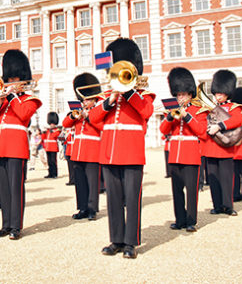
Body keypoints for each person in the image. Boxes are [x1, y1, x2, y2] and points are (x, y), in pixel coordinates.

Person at [89, 38, 154, 259]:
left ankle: (131, 242)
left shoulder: (142, 95)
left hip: (132, 152)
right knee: (113, 199)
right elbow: (93, 117)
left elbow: (146, 111)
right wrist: (110, 99)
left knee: (132, 198)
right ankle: (116, 239)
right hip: (109, 152)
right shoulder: (106, 96)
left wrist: (127, 92)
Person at [0, 50, 41, 240]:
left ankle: (16, 225)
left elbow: (24, 115)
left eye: (15, 79)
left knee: (16, 187)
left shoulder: (29, 99)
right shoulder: (1, 100)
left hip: (16, 147)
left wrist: (12, 97)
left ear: (23, 80)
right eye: (9, 79)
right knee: (4, 188)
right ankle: (6, 224)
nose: (11, 82)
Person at [160, 67, 208, 233]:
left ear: (189, 93)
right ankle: (179, 219)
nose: (180, 97)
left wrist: (187, 115)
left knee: (191, 191)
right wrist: (169, 117)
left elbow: (202, 131)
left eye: (183, 94)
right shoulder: (173, 111)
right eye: (178, 94)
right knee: (177, 190)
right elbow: (163, 130)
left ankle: (191, 220)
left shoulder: (199, 111)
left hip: (191, 154)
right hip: (175, 155)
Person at [63, 73, 103, 221]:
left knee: (93, 183)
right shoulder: (78, 112)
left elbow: (102, 127)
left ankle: (93, 209)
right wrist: (74, 117)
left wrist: (89, 117)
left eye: (88, 99)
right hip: (77, 152)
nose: (86, 102)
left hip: (92, 151)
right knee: (80, 182)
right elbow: (66, 123)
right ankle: (82, 208)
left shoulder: (98, 112)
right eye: (84, 99)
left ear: (94, 100)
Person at [204, 69, 242, 216]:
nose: (218, 96)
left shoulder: (233, 107)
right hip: (211, 147)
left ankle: (228, 205)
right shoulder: (210, 108)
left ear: (227, 92)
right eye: (216, 93)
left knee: (226, 179)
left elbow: (237, 120)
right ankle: (217, 205)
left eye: (221, 93)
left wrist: (219, 126)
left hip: (225, 148)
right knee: (213, 180)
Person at [42, 112, 60, 178]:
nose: (51, 125)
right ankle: (50, 173)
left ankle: (54, 174)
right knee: (49, 162)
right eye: (51, 123)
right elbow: (43, 138)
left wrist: (51, 131)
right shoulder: (48, 130)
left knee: (53, 162)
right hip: (48, 147)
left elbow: (55, 136)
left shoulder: (57, 130)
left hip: (53, 148)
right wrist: (43, 132)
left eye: (53, 123)